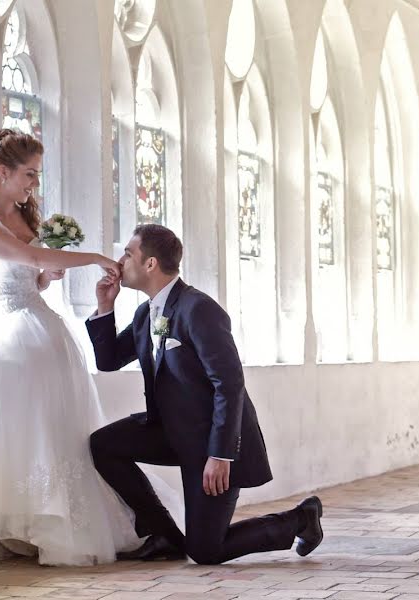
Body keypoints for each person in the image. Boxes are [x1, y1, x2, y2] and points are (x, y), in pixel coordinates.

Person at [0, 129, 180, 566]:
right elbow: (30, 260)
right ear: (2, 170)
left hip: (49, 335)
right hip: (12, 339)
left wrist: (50, 276)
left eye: (37, 174)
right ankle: (42, 524)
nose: (33, 183)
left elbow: (37, 274)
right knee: (31, 438)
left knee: (66, 436)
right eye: (28, 174)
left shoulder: (28, 220)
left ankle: (92, 522)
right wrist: (90, 259)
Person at [87, 224, 324, 564]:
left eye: (128, 253)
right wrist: (104, 306)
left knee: (205, 551)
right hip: (172, 431)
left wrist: (221, 454)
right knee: (104, 444)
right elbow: (108, 360)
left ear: (150, 263)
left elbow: (229, 384)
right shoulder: (145, 314)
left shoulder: (198, 309)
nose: (120, 261)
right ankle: (165, 534)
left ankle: (301, 519)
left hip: (212, 442)